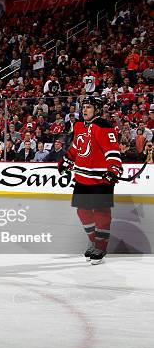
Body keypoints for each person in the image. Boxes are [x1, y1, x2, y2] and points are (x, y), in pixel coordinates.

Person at [58, 96, 123, 264]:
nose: (85, 110)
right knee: (82, 210)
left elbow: (112, 151)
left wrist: (113, 169)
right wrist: (66, 161)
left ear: (97, 110)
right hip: (82, 177)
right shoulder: (79, 125)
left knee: (101, 212)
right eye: (83, 107)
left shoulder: (103, 126)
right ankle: (94, 240)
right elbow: (76, 148)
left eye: (89, 107)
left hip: (101, 178)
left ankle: (101, 247)